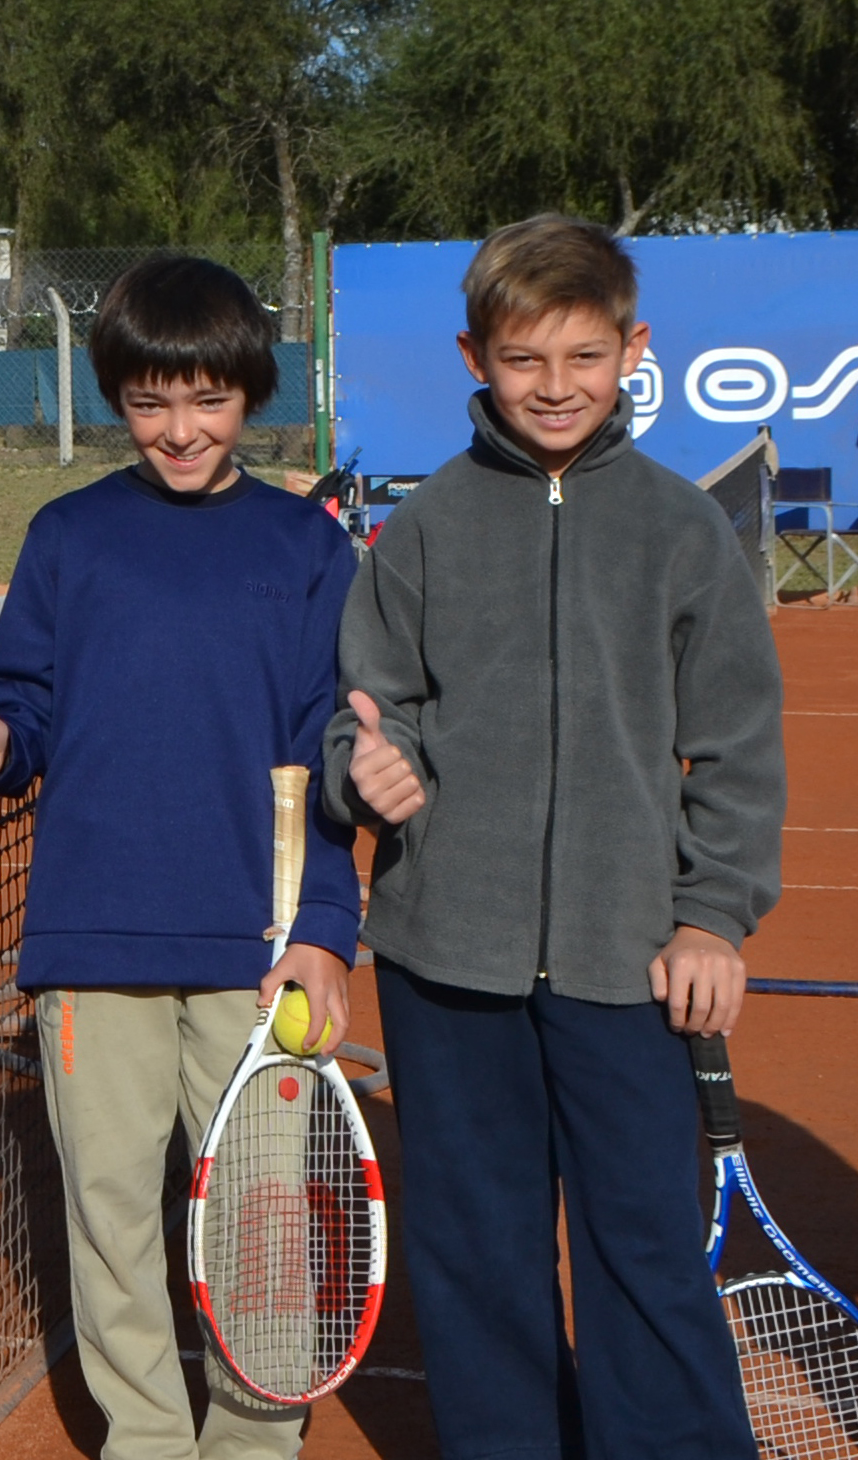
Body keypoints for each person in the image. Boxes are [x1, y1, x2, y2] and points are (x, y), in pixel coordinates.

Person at [326, 214, 785, 1458]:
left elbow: (737, 748)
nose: (557, 387)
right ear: (476, 355)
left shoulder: (685, 531)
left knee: (643, 1247)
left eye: (584, 357)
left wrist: (710, 915)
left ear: (634, 347)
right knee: (475, 1252)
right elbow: (370, 710)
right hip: (444, 957)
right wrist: (370, 769)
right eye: (527, 360)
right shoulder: (419, 530)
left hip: (627, 959)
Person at [0, 256, 354, 1460]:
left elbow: (328, 751)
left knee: (263, 1222)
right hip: (93, 939)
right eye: (151, 402)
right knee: (111, 1216)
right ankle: (150, 1440)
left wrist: (322, 927)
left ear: (251, 394)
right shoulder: (67, 536)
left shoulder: (310, 548)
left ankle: (252, 1441)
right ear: (117, 396)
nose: (180, 429)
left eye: (209, 401)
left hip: (254, 955)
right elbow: (23, 705)